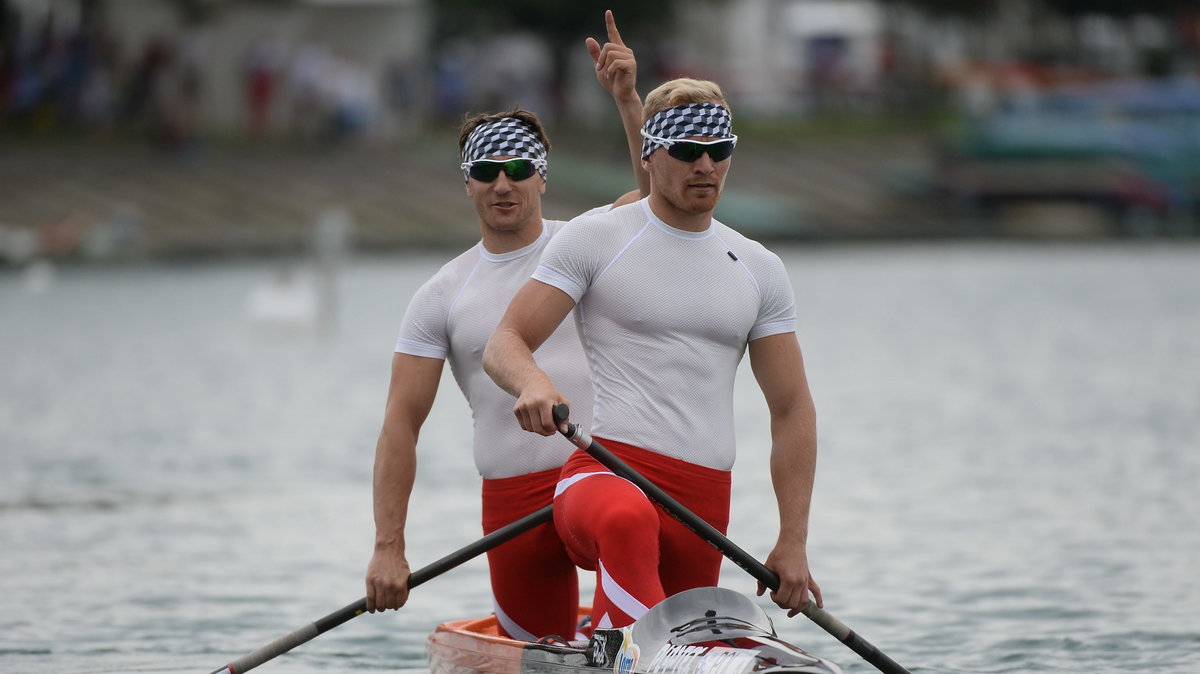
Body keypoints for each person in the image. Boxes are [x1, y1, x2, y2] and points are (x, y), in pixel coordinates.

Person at [482, 78, 823, 631]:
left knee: (662, 636)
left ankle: (612, 644)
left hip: (703, 505)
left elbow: (792, 410)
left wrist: (792, 541)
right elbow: (505, 342)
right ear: (649, 152)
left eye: (719, 151)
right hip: (605, 475)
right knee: (627, 519)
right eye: (687, 152)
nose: (705, 166)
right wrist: (534, 384)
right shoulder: (598, 239)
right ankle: (640, 653)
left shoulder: (760, 268)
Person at [364, 11, 649, 642]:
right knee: (536, 651)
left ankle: (637, 646)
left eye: (519, 169)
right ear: (466, 184)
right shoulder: (440, 294)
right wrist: (389, 547)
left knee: (629, 568)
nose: (503, 183)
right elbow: (400, 425)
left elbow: (658, 196)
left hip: (598, 477)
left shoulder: (586, 242)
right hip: (511, 504)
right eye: (485, 171)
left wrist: (628, 102)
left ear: (542, 175)